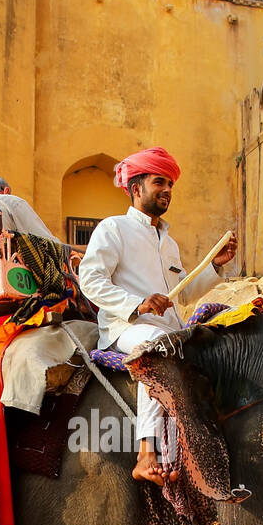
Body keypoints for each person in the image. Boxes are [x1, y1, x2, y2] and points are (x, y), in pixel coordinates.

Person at [78, 147, 237, 486]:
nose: (167, 190)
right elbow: (90, 280)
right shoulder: (113, 229)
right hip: (129, 328)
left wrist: (214, 266)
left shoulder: (170, 243)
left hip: (169, 328)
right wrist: (137, 304)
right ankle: (146, 453)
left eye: (170, 184)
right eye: (159, 182)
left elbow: (184, 293)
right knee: (156, 346)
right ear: (136, 189)